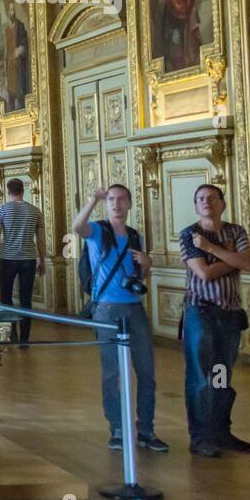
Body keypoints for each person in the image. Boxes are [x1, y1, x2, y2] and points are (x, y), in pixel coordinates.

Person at [72, 185, 168, 453]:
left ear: (129, 204)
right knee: (112, 372)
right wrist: (92, 199)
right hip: (107, 309)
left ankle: (145, 429)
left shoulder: (135, 236)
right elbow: (77, 226)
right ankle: (117, 427)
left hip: (134, 307)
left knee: (146, 372)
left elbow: (138, 276)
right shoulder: (99, 232)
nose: (116, 204)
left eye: (121, 199)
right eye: (112, 200)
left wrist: (147, 264)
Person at [179, 184, 250, 457]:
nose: (206, 202)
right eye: (200, 198)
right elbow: (204, 274)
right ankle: (200, 436)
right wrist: (231, 256)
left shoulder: (236, 231)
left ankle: (221, 431)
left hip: (230, 315)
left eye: (211, 198)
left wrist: (211, 248)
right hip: (201, 313)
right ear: (196, 206)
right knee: (200, 377)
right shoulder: (189, 234)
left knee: (222, 376)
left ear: (222, 203)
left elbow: (249, 263)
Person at [0, 178, 46, 345]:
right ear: (23, 191)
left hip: (8, 259)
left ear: (8, 191)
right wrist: (41, 259)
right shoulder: (36, 211)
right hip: (28, 258)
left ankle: (11, 332)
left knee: (6, 297)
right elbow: (41, 240)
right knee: (26, 299)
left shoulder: (2, 210)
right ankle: (25, 339)